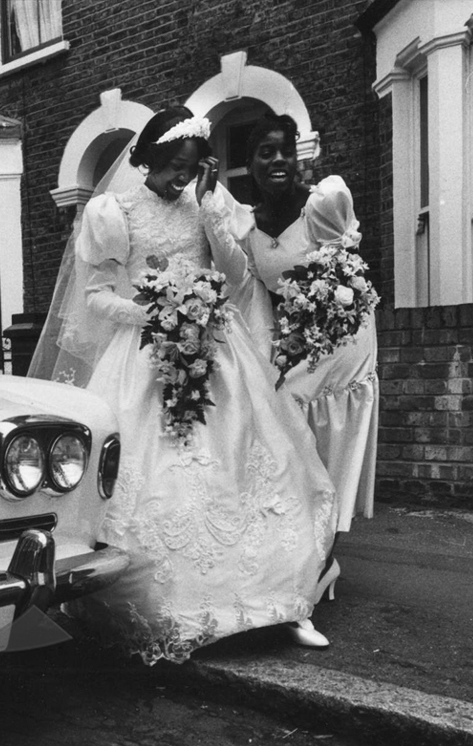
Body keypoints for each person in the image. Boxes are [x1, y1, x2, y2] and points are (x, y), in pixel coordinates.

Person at [32, 106, 339, 661]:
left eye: (191, 166)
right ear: (147, 158)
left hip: (219, 349)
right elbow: (97, 298)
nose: (181, 175)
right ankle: (182, 605)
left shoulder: (205, 204)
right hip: (147, 353)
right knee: (162, 478)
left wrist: (209, 204)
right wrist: (158, 314)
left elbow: (236, 275)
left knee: (251, 467)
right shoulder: (112, 211)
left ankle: (282, 602)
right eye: (175, 165)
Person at [199, 113, 379, 538]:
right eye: (266, 153)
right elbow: (246, 286)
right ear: (251, 162)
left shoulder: (320, 206)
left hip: (339, 337)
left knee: (297, 420)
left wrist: (309, 333)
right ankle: (301, 541)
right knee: (271, 416)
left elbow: (346, 275)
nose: (278, 160)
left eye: (286, 151)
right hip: (291, 338)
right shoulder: (246, 223)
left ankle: (327, 540)